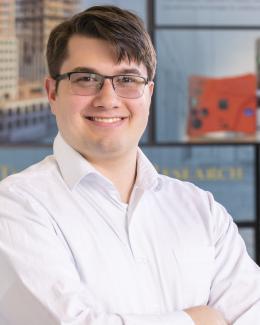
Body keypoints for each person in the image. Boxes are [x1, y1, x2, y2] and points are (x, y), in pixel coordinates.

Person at [0, 5, 259, 325]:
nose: (107, 99)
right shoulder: (15, 206)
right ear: (52, 92)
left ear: (148, 93)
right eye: (85, 78)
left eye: (127, 79)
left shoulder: (201, 210)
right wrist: (198, 320)